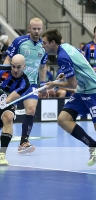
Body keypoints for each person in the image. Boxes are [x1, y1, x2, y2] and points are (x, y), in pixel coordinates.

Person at [0, 18, 48, 153]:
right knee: (7, 115)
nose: (36, 31)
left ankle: (23, 142)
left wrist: (42, 83)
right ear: (29, 28)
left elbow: (43, 66)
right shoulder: (19, 41)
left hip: (31, 84)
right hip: (15, 83)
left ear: (42, 29)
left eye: (39, 29)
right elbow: (8, 59)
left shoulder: (44, 46)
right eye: (34, 28)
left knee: (31, 110)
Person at [42, 28, 96, 166]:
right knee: (63, 119)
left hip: (93, 90)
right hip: (82, 90)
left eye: (44, 43)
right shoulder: (67, 46)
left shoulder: (61, 57)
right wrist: (64, 73)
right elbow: (78, 59)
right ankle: (93, 145)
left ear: (53, 43)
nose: (43, 46)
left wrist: (55, 84)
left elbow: (72, 85)